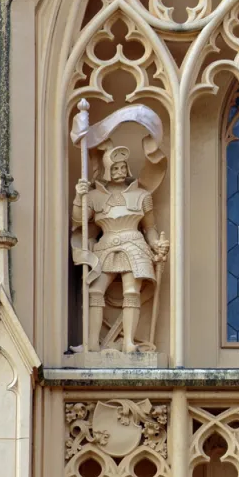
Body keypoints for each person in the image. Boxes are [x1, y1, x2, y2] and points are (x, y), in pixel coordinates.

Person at [72, 144, 169, 353]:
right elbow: (80, 220)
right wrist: (79, 197)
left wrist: (156, 245)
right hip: (105, 245)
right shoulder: (95, 196)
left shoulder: (142, 196)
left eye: (123, 168)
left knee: (131, 292)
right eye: (115, 168)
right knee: (95, 291)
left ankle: (128, 343)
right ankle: (91, 344)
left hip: (134, 244)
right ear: (107, 170)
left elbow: (149, 228)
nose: (119, 172)